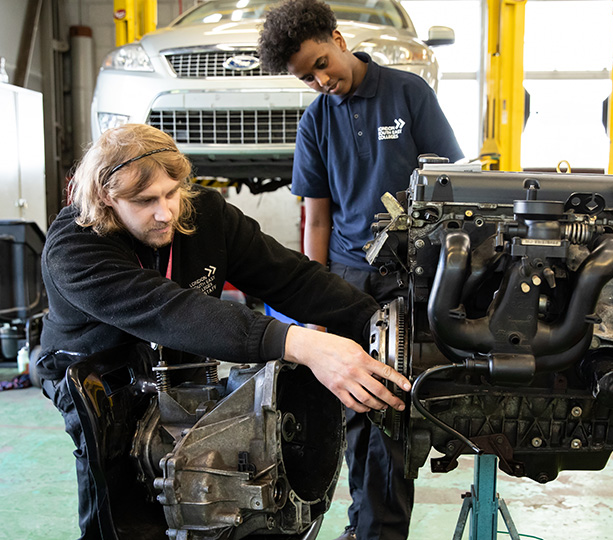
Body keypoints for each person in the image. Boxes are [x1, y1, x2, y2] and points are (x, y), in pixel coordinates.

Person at [37, 123, 411, 540]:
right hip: (99, 377)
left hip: (180, 362)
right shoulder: (74, 246)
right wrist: (299, 343)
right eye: (145, 201)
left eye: (171, 192)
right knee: (122, 509)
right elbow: (171, 310)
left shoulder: (204, 214)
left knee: (205, 488)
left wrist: (372, 320)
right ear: (107, 196)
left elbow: (289, 276)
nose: (166, 213)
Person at [259, 2, 464, 539]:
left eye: (324, 63)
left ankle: (378, 530)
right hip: (350, 278)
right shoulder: (316, 121)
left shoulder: (408, 94)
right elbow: (317, 218)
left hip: (414, 276)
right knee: (354, 405)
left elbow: (452, 188)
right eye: (308, 77)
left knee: (392, 406)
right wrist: (311, 302)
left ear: (338, 37)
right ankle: (364, 524)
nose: (323, 80)